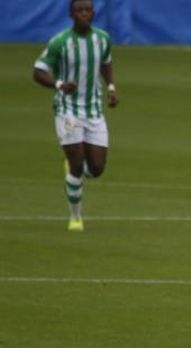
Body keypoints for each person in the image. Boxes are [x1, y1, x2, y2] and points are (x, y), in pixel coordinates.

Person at [32, 0, 118, 232]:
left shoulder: (102, 38)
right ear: (71, 14)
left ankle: (73, 168)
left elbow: (106, 63)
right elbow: (38, 71)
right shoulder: (60, 42)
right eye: (79, 10)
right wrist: (58, 83)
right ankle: (75, 217)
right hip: (67, 110)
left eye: (87, 10)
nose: (84, 14)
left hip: (94, 111)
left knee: (97, 168)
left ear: (93, 13)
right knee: (78, 166)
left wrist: (110, 87)